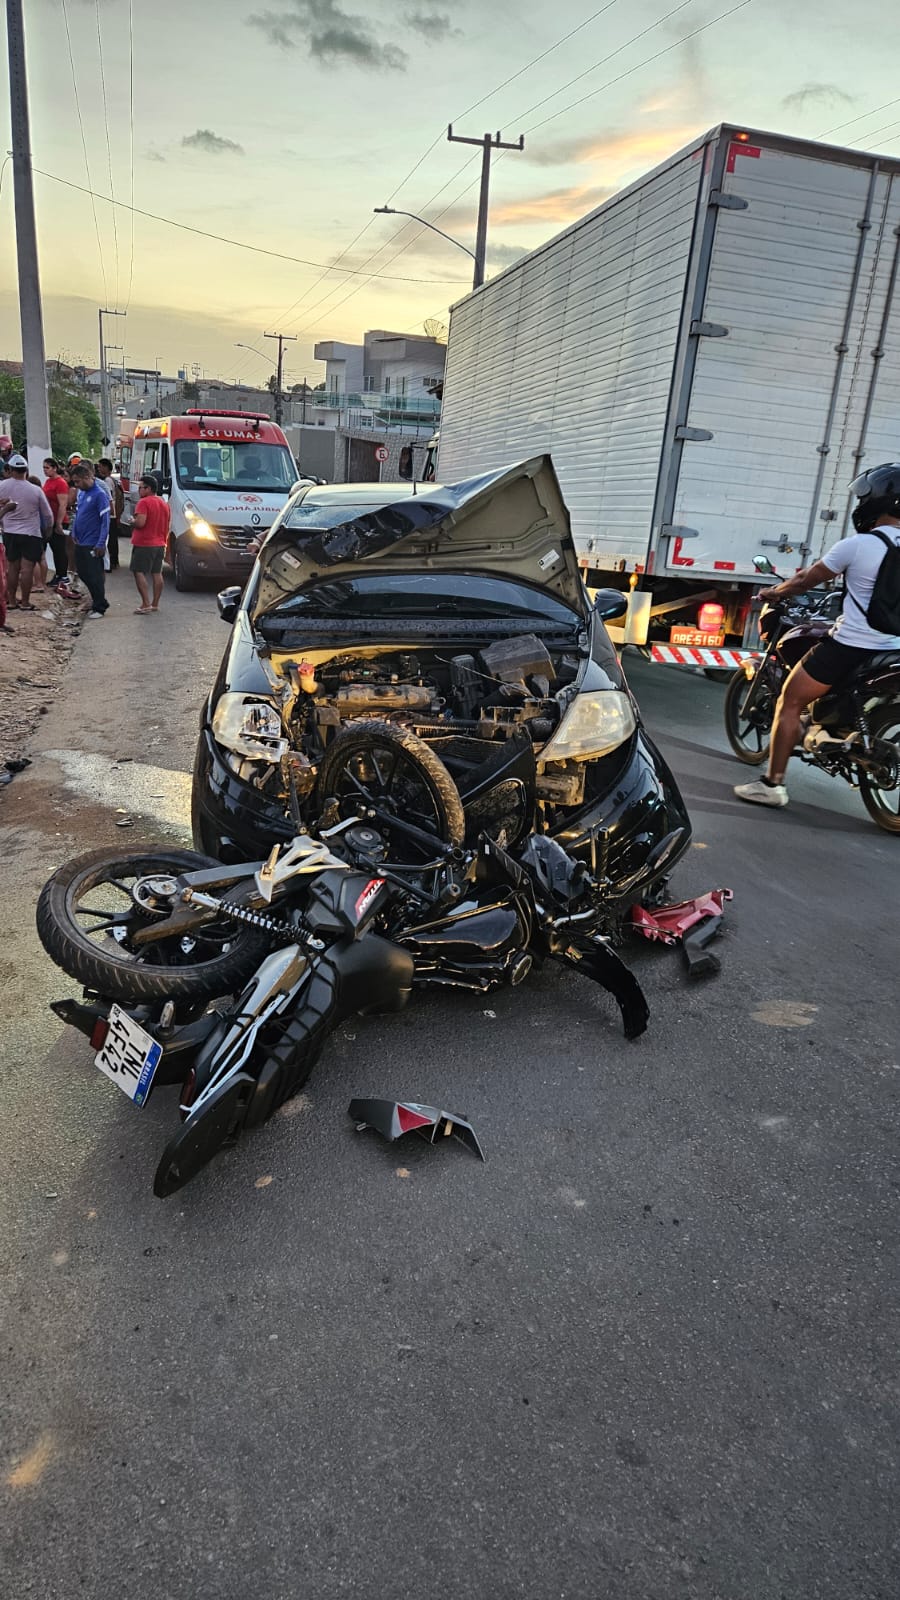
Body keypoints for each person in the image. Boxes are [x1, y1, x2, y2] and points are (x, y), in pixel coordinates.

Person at [735, 462, 900, 809]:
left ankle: (772, 784)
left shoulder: (859, 545)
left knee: (791, 700)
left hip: (852, 646)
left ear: (877, 502)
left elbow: (804, 582)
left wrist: (774, 593)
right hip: (893, 649)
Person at [0, 452, 53, 610]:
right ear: (26, 470)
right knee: (27, 568)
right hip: (31, 533)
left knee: (12, 567)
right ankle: (25, 602)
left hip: (9, 533)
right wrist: (47, 532)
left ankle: (12, 601)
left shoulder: (2, 486)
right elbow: (48, 515)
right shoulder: (35, 490)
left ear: (10, 469)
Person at [69, 460, 110, 617]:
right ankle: (97, 600)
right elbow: (80, 513)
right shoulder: (83, 493)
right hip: (81, 540)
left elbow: (105, 520)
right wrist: (74, 531)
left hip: (93, 542)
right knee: (83, 573)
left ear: (87, 476)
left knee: (94, 574)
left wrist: (101, 543)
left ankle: (100, 606)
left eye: (78, 481)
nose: (76, 485)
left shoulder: (99, 495)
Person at [130, 472, 169, 613]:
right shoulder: (163, 503)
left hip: (144, 543)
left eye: (141, 487)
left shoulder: (143, 502)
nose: (139, 490)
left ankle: (145, 603)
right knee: (157, 573)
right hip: (160, 543)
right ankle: (155, 603)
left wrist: (132, 521)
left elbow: (141, 523)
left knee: (138, 571)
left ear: (148, 488)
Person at [42, 457, 71, 589]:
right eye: (44, 467)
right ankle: (59, 574)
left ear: (54, 468)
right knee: (54, 549)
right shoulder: (48, 482)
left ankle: (63, 575)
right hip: (49, 520)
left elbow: (62, 504)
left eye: (47, 467)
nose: (45, 470)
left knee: (59, 549)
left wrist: (58, 522)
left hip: (58, 520)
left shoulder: (60, 483)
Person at [95, 458, 123, 569]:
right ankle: (114, 561)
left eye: (100, 466)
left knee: (110, 539)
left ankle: (112, 561)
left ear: (106, 467)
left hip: (110, 514)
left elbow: (109, 498)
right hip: (113, 513)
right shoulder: (112, 480)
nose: (98, 469)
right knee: (113, 538)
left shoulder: (107, 481)